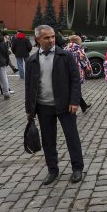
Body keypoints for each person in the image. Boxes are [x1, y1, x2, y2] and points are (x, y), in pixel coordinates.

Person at [24, 25, 84, 185]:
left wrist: (74, 101)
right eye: (46, 38)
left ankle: (77, 168)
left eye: (52, 36)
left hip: (65, 105)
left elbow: (75, 80)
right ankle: (52, 170)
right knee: (48, 140)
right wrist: (29, 109)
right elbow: (29, 86)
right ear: (38, 39)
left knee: (72, 137)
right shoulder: (32, 60)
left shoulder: (65, 56)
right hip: (43, 106)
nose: (51, 40)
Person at [65, 35, 93, 112]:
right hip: (77, 72)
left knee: (73, 89)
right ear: (77, 41)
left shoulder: (66, 49)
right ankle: (76, 108)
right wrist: (88, 70)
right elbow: (84, 61)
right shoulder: (78, 49)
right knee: (76, 90)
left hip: (67, 72)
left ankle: (84, 106)